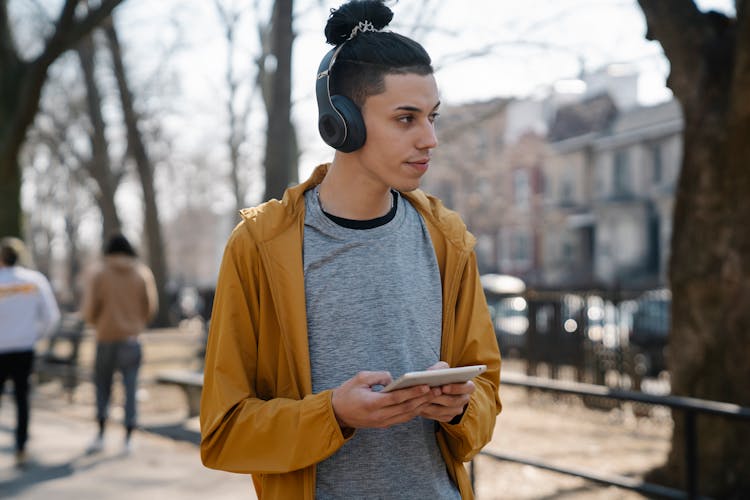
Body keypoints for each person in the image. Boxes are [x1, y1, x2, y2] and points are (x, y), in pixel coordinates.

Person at [200, 1, 502, 498]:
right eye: (406, 118)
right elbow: (223, 432)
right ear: (342, 122)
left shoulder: (448, 240)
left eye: (432, 117)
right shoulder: (259, 247)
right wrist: (333, 414)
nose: (430, 139)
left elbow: (487, 395)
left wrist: (461, 406)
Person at [81, 233, 158, 454]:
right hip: (132, 339)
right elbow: (150, 307)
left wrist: (99, 323)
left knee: (103, 387)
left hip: (105, 337)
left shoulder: (100, 274)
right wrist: (136, 323)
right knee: (131, 388)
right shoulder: (142, 273)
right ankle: (128, 437)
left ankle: (101, 434)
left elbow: (89, 310)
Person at [0, 237, 61, 467]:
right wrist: (35, 336)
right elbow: (51, 316)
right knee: (22, 398)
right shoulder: (34, 281)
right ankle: (21, 446)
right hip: (24, 348)